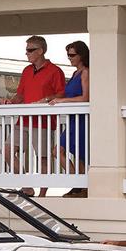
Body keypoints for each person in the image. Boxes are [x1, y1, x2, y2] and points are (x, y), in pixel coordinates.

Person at [0, 35, 65, 196]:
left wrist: (46, 99)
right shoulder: (27, 71)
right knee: (7, 150)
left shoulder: (55, 71)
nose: (26, 53)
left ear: (40, 51)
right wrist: (10, 102)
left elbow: (61, 93)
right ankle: (27, 187)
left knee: (42, 157)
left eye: (30, 50)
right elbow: (20, 95)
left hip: (43, 121)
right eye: (26, 50)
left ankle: (42, 195)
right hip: (23, 119)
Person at [49, 40, 89, 197]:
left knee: (79, 154)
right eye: (68, 55)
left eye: (72, 55)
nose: (69, 58)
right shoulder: (74, 74)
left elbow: (85, 98)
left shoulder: (86, 72)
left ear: (81, 55)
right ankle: (78, 184)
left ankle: (80, 187)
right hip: (72, 119)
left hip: (82, 120)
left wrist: (62, 101)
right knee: (58, 151)